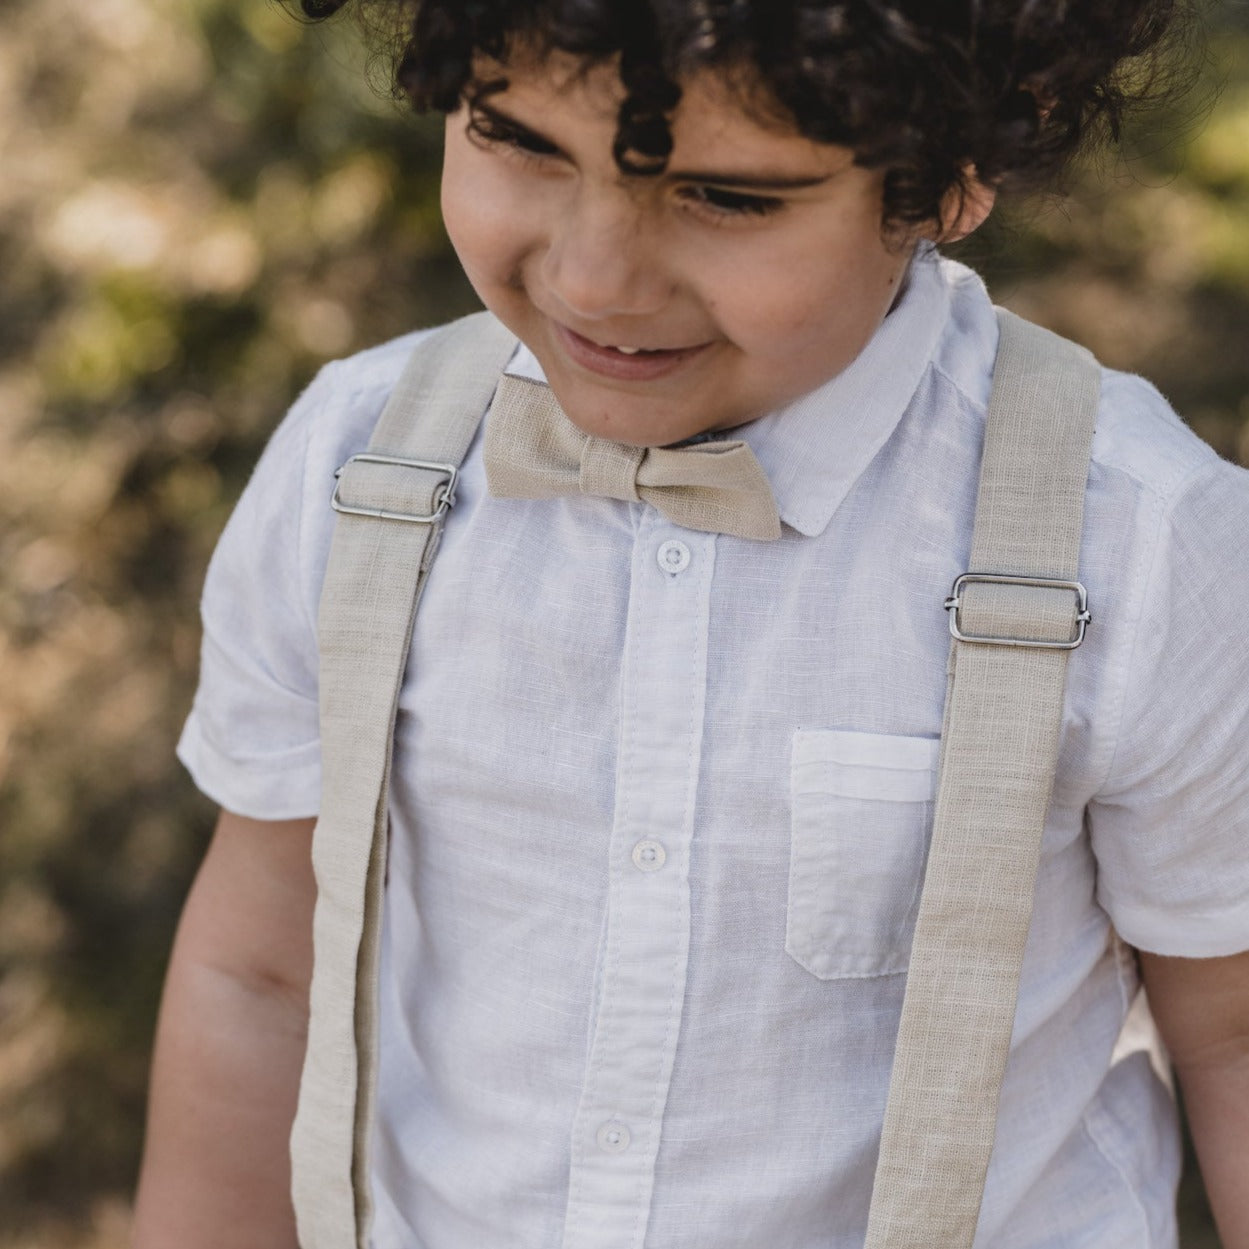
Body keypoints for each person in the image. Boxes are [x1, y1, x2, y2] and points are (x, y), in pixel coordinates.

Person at [131, 2, 1249, 1247]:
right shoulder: (356, 463)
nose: (594, 276)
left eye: (724, 197)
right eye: (523, 143)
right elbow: (260, 975)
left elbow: (1233, 1034)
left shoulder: (1141, 542)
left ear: (950, 180)